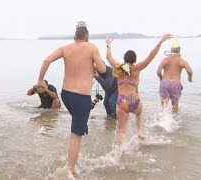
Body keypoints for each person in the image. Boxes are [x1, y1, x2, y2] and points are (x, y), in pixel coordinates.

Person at [37, 21, 106, 175]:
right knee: (76, 135)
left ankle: (71, 160)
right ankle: (69, 171)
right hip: (81, 97)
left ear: (75, 37)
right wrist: (94, 66)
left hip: (66, 95)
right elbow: (102, 69)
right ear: (87, 37)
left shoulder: (65, 48)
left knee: (77, 128)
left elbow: (46, 60)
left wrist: (40, 81)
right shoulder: (92, 47)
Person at [105, 34, 171, 146]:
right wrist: (160, 42)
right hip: (134, 100)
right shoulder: (136, 68)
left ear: (124, 59)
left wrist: (108, 45)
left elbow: (108, 57)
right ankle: (140, 131)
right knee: (139, 113)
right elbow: (151, 56)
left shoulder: (118, 67)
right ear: (134, 60)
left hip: (122, 102)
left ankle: (121, 152)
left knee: (122, 131)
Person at [157, 39, 193, 113]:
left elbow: (158, 71)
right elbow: (189, 71)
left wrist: (161, 78)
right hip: (175, 84)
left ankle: (163, 118)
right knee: (175, 104)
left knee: (164, 102)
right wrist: (190, 78)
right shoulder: (182, 61)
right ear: (179, 51)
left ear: (171, 50)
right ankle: (175, 120)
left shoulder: (165, 59)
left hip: (165, 82)